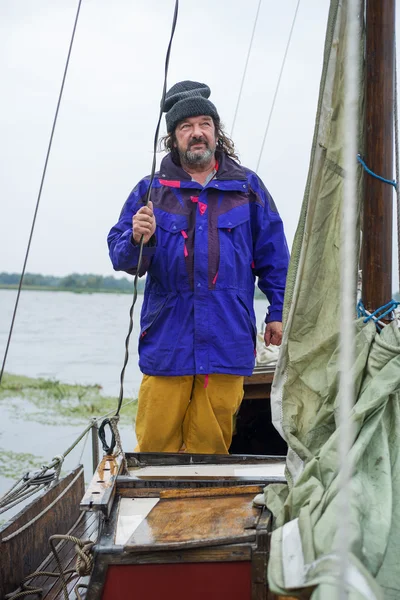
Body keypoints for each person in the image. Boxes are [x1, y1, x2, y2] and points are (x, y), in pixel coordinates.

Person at [108, 80, 289, 454]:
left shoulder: (247, 188)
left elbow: (275, 257)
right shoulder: (151, 190)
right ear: (173, 138)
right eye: (185, 127)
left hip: (227, 340)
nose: (196, 133)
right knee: (155, 450)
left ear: (216, 132)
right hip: (166, 341)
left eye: (204, 124)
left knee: (211, 449)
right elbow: (122, 257)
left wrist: (278, 311)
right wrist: (137, 239)